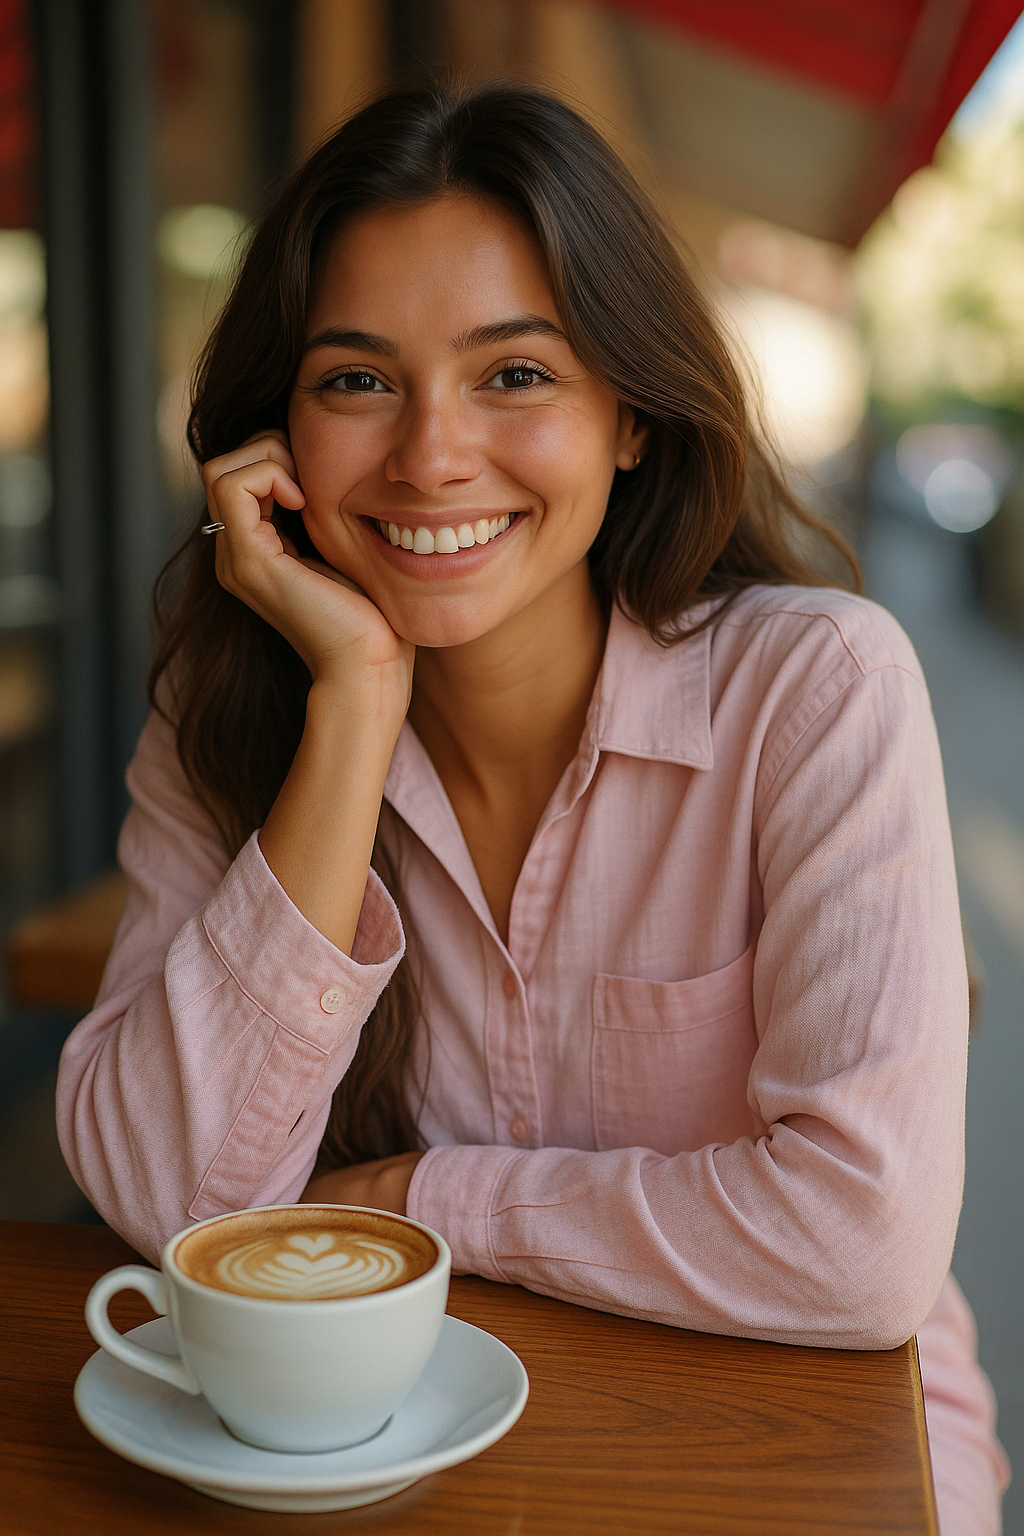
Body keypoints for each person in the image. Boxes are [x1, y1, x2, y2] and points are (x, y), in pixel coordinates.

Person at [57, 84, 1008, 1532]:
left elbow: (857, 1251)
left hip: (816, 1455)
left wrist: (417, 1200)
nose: (431, 455)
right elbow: (168, 1203)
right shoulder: (231, 715)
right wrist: (355, 704)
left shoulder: (816, 690)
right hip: (422, 1456)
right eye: (356, 381)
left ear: (630, 417)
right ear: (277, 440)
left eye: (514, 373)